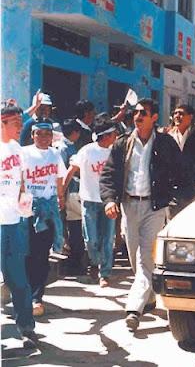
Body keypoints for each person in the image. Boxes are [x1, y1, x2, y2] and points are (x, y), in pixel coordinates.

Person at [99, 98, 182, 332]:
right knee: (135, 259)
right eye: (136, 113)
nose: (138, 116)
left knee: (146, 260)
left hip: (154, 209)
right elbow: (108, 175)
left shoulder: (166, 144)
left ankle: (133, 310)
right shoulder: (122, 143)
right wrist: (109, 201)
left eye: (143, 113)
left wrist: (172, 201)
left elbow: (180, 174)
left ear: (154, 117)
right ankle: (150, 297)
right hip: (128, 206)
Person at [0, 105, 38, 348]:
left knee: (19, 280)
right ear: (2, 122)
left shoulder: (18, 150)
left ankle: (26, 327)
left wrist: (24, 200)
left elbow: (22, 181)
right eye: (16, 123)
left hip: (13, 225)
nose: (20, 127)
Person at [63, 121, 118, 287]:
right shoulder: (87, 150)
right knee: (91, 238)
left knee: (108, 238)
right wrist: (61, 192)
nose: (116, 136)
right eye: (114, 133)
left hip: (108, 202)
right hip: (89, 201)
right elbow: (71, 170)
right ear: (107, 135)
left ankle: (105, 273)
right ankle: (94, 262)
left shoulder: (115, 152)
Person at [23, 121, 67, 317]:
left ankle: (36, 297)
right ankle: (25, 294)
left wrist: (61, 197)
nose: (43, 137)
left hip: (48, 209)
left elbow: (59, 178)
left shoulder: (55, 154)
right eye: (39, 133)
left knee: (42, 254)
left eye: (47, 134)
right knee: (27, 253)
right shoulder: (24, 153)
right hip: (27, 208)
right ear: (32, 135)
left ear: (52, 136)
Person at [54, 119, 85, 274]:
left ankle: (76, 260)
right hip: (69, 192)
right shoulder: (63, 148)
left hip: (72, 191)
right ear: (74, 132)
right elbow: (63, 174)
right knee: (72, 227)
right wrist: (61, 195)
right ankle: (73, 261)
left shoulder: (70, 147)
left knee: (74, 227)